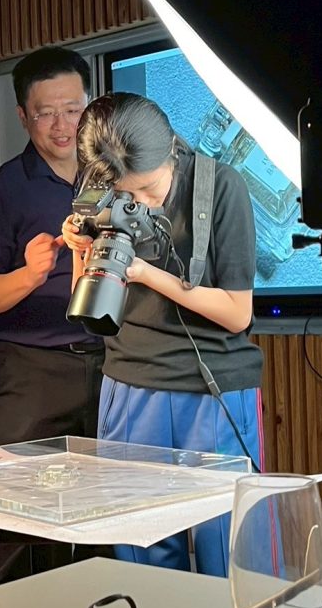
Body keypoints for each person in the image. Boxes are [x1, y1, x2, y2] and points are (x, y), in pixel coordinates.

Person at [61, 92, 266, 577]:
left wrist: (148, 274)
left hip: (214, 390)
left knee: (231, 549)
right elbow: (87, 303)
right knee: (140, 547)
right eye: (127, 196)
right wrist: (78, 248)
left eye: (150, 189)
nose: (141, 204)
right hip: (130, 385)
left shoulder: (221, 187)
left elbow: (237, 314)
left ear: (171, 148)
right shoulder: (99, 186)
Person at [0, 46, 105, 585]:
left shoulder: (116, 176)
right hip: (34, 369)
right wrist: (28, 273)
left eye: (73, 109)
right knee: (20, 514)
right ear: (23, 116)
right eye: (46, 113)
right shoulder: (2, 191)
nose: (62, 126)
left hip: (116, 364)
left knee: (109, 507)